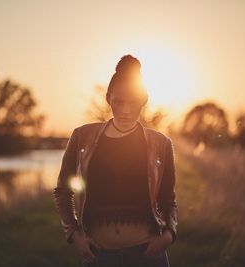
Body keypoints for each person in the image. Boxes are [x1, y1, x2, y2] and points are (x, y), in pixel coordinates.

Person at [53, 54, 178, 267]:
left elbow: (168, 199)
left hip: (148, 256)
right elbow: (63, 191)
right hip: (98, 256)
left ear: (144, 100)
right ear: (108, 98)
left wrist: (168, 236)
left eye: (134, 102)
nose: (126, 110)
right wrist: (75, 234)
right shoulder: (82, 137)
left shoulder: (161, 144)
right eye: (119, 102)